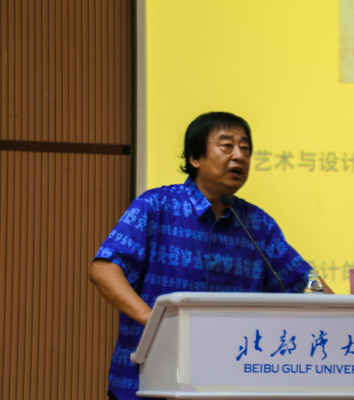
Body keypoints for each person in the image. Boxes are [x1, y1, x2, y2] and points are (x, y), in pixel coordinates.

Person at [89, 112, 330, 400]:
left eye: (245, 149)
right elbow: (104, 270)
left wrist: (339, 306)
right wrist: (153, 320)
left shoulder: (257, 224)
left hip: (229, 384)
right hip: (148, 381)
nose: (239, 156)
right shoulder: (156, 206)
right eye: (227, 146)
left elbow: (306, 280)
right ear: (195, 157)